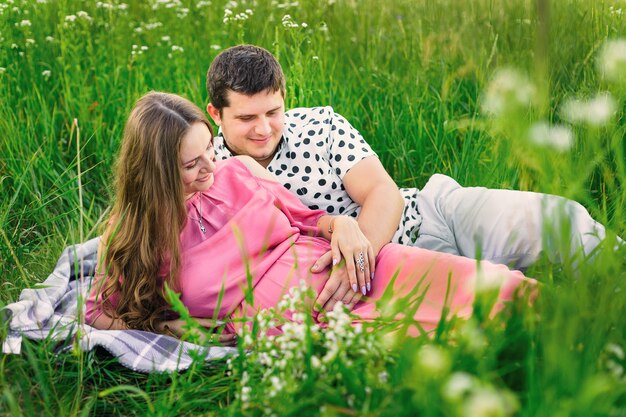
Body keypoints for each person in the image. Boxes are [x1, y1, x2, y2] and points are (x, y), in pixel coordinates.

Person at [86, 91, 534, 341]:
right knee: (454, 344)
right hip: (296, 322)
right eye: (191, 164)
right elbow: (99, 313)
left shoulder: (236, 170)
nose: (210, 166)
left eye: (209, 149)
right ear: (156, 170)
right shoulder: (134, 235)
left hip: (352, 271)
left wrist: (343, 226)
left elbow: (309, 218)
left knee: (499, 290)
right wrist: (167, 325)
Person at [205, 44, 620, 313]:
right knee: (503, 307)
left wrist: (356, 264)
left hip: (430, 214)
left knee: (558, 217)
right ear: (215, 114)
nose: (264, 128)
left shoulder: (319, 124)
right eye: (246, 118)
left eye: (273, 112)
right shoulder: (209, 175)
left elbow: (382, 193)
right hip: (393, 280)